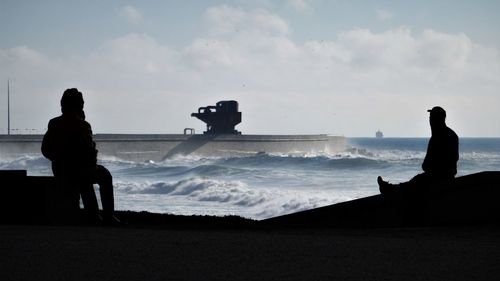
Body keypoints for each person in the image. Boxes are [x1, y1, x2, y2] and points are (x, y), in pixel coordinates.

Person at [42, 88, 119, 224]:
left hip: (60, 170)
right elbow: (89, 152)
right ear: (79, 105)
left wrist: (58, 159)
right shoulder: (82, 125)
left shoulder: (53, 123)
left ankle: (93, 215)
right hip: (79, 171)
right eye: (82, 103)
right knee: (104, 175)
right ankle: (108, 217)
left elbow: (45, 149)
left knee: (84, 179)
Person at [377, 106, 459, 196]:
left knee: (414, 183)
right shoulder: (451, 135)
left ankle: (388, 189)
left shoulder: (437, 138)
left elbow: (426, 166)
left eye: (431, 117)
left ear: (437, 120)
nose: (430, 121)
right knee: (414, 182)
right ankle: (389, 188)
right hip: (447, 178)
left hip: (437, 179)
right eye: (429, 118)